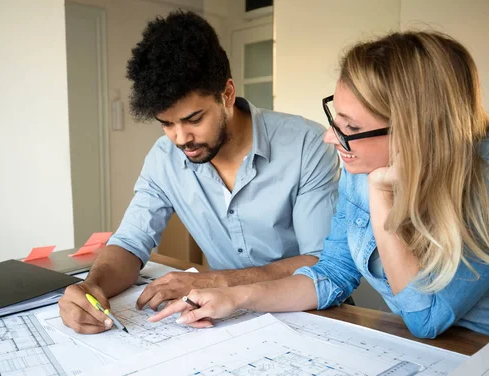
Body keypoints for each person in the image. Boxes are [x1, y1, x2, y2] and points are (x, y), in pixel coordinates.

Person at [150, 31, 489, 339]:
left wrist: (382, 194)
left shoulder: (477, 185)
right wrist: (236, 297)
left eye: (350, 128)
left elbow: (426, 318)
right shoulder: (361, 167)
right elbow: (334, 271)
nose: (329, 137)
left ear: (415, 134)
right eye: (334, 118)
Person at [58, 10, 340, 334]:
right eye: (166, 123)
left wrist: (215, 281)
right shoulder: (163, 159)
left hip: (310, 316)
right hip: (224, 322)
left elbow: (321, 262)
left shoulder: (307, 146)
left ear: (227, 94)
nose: (181, 139)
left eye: (193, 119)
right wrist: (93, 286)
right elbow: (130, 242)